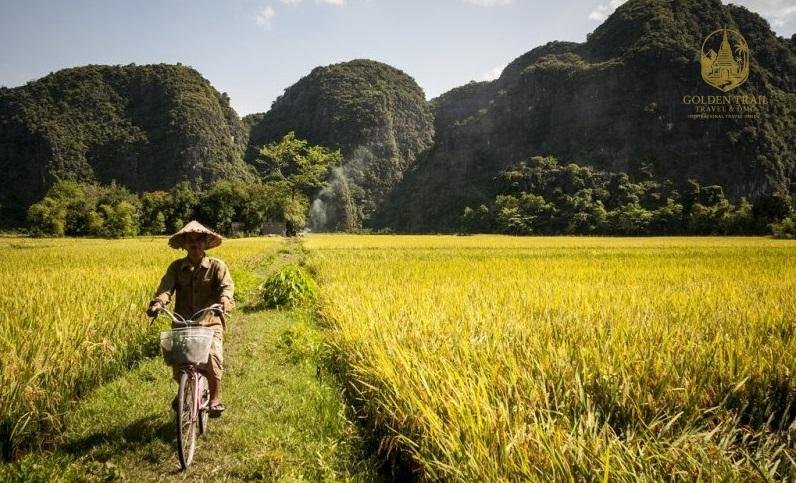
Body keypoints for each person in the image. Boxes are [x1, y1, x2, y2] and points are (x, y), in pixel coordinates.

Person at [147, 220, 234, 418]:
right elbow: (166, 289)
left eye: (199, 240)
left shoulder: (217, 266)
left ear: (205, 242)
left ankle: (214, 398)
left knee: (212, 357)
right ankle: (185, 388)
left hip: (210, 321)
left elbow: (226, 287)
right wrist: (158, 303)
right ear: (184, 244)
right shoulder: (176, 268)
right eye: (190, 240)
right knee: (177, 363)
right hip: (182, 322)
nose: (194, 244)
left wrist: (225, 301)